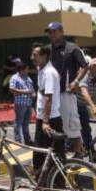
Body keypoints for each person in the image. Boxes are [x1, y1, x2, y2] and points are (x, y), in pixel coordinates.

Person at [45, 22, 87, 158]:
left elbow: (85, 66)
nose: (51, 34)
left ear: (62, 31)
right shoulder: (47, 50)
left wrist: (76, 81)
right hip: (51, 95)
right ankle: (58, 154)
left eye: (54, 31)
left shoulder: (72, 48)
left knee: (71, 125)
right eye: (49, 32)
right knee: (53, 125)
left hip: (66, 94)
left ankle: (79, 152)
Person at [31, 44, 65, 172]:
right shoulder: (41, 69)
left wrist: (45, 122)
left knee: (55, 154)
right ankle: (41, 181)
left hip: (50, 120)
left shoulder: (49, 72)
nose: (32, 58)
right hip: (42, 117)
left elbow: (49, 98)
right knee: (39, 152)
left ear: (44, 56)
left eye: (35, 55)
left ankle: (58, 184)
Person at [9, 62, 34, 144]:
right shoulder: (15, 78)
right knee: (18, 122)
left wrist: (34, 94)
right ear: (21, 70)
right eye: (26, 69)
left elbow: (32, 89)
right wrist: (25, 92)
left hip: (28, 103)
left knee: (26, 123)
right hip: (20, 104)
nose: (28, 70)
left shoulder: (28, 78)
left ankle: (27, 139)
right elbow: (12, 89)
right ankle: (17, 140)